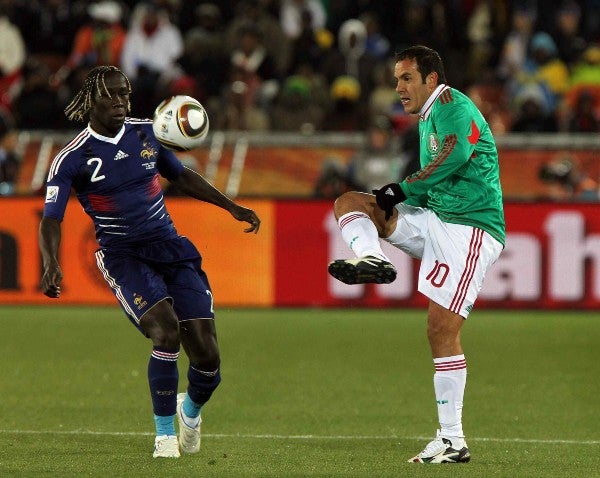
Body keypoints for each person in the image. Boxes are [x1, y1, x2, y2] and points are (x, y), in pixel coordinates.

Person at [38, 65, 261, 458]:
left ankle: (189, 411)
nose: (122, 102)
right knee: (166, 332)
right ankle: (164, 437)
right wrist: (51, 262)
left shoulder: (147, 132)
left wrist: (232, 207)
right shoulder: (72, 158)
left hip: (170, 248)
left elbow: (182, 177)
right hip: (124, 257)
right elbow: (51, 218)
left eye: (125, 93)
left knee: (207, 357)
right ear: (92, 99)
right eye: (112, 95)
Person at [327, 45, 505, 464]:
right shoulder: (426, 119)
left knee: (440, 329)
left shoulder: (451, 104)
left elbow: (456, 153)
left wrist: (401, 189)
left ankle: (452, 439)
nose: (399, 87)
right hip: (437, 219)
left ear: (431, 78)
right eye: (396, 80)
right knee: (352, 202)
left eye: (407, 78)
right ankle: (372, 258)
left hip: (471, 227)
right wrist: (400, 195)